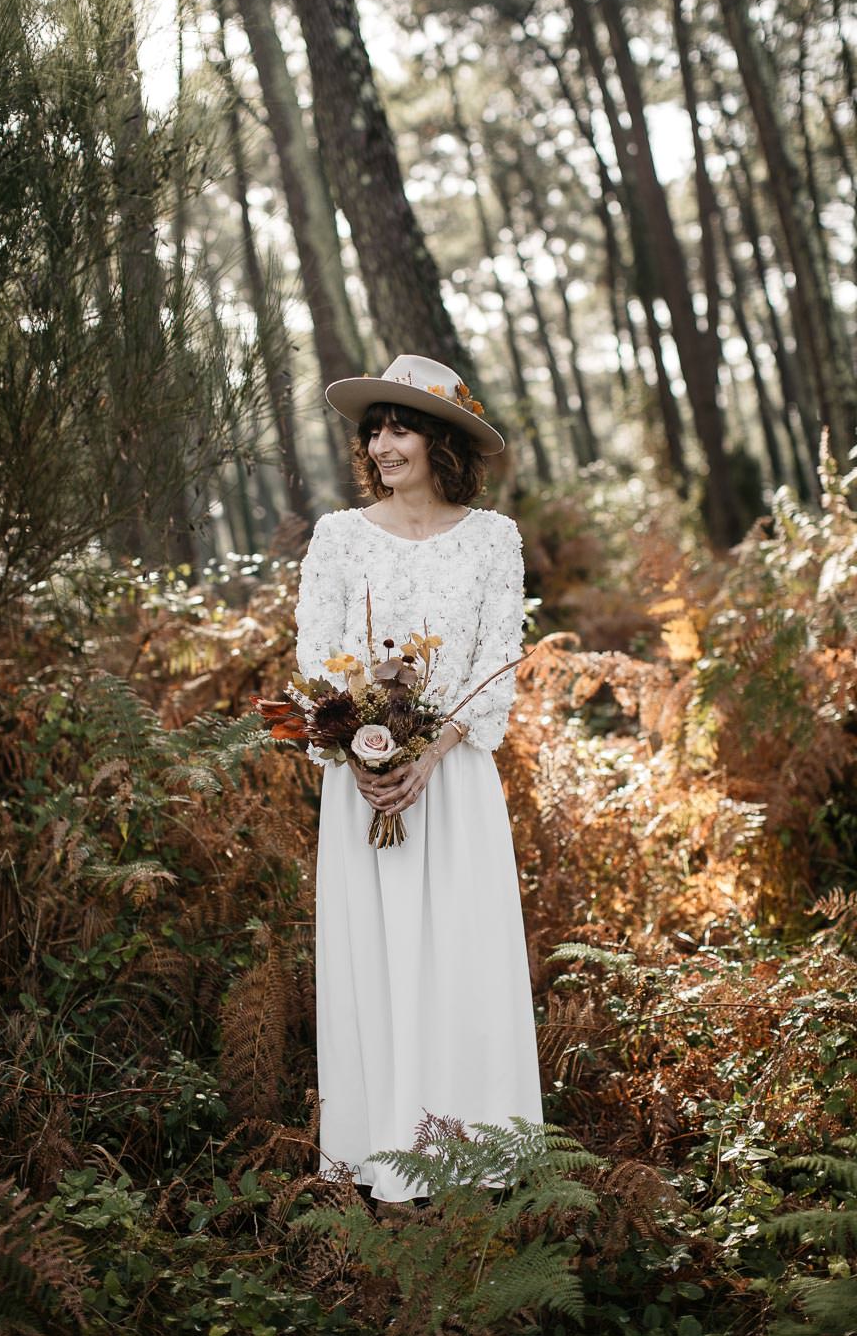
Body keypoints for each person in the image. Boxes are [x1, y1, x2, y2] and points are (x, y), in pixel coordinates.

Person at [292, 354, 545, 1205]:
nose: (384, 442)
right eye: (375, 429)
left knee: (460, 954)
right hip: (362, 784)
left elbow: (497, 665)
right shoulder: (337, 536)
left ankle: (474, 1146)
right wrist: (365, 749)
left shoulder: (492, 539)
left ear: (440, 439)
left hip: (456, 783)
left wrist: (426, 754)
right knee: (378, 954)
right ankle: (382, 1151)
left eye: (401, 426)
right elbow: (317, 653)